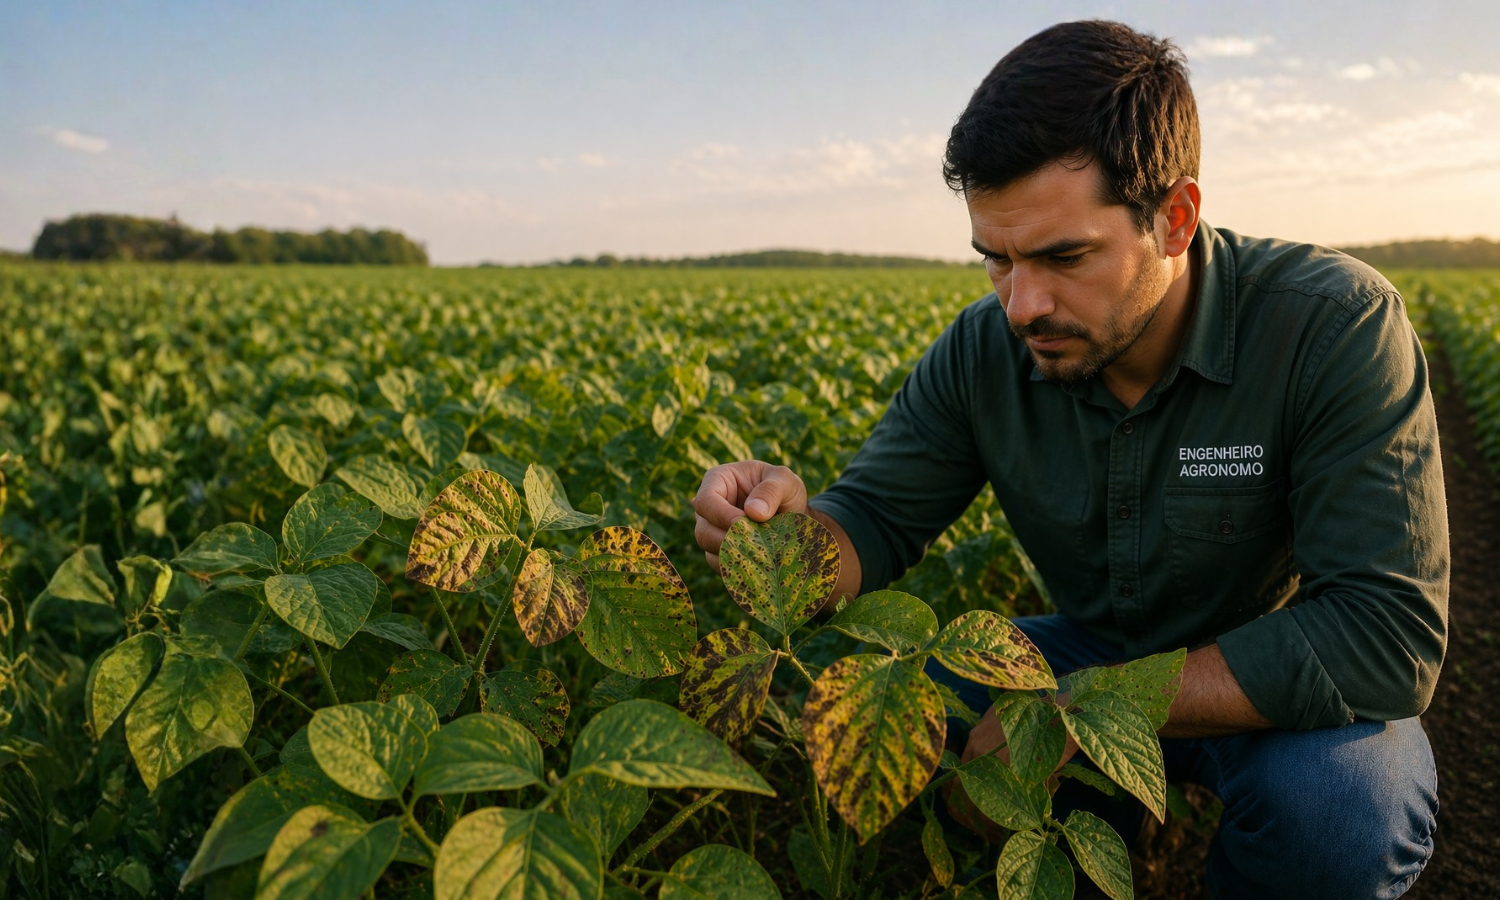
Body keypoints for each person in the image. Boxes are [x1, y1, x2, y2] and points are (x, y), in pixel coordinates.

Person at [691, 19, 1447, 900]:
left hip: (1263, 673)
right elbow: (875, 519)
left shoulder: (1333, 326)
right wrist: (782, 535)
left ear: (1174, 218)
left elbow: (1385, 633)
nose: (1021, 304)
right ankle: (1094, 839)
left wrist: (1091, 711)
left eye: (1063, 256)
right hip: (1083, 652)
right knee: (900, 707)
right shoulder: (984, 349)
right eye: (997, 260)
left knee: (1344, 813)